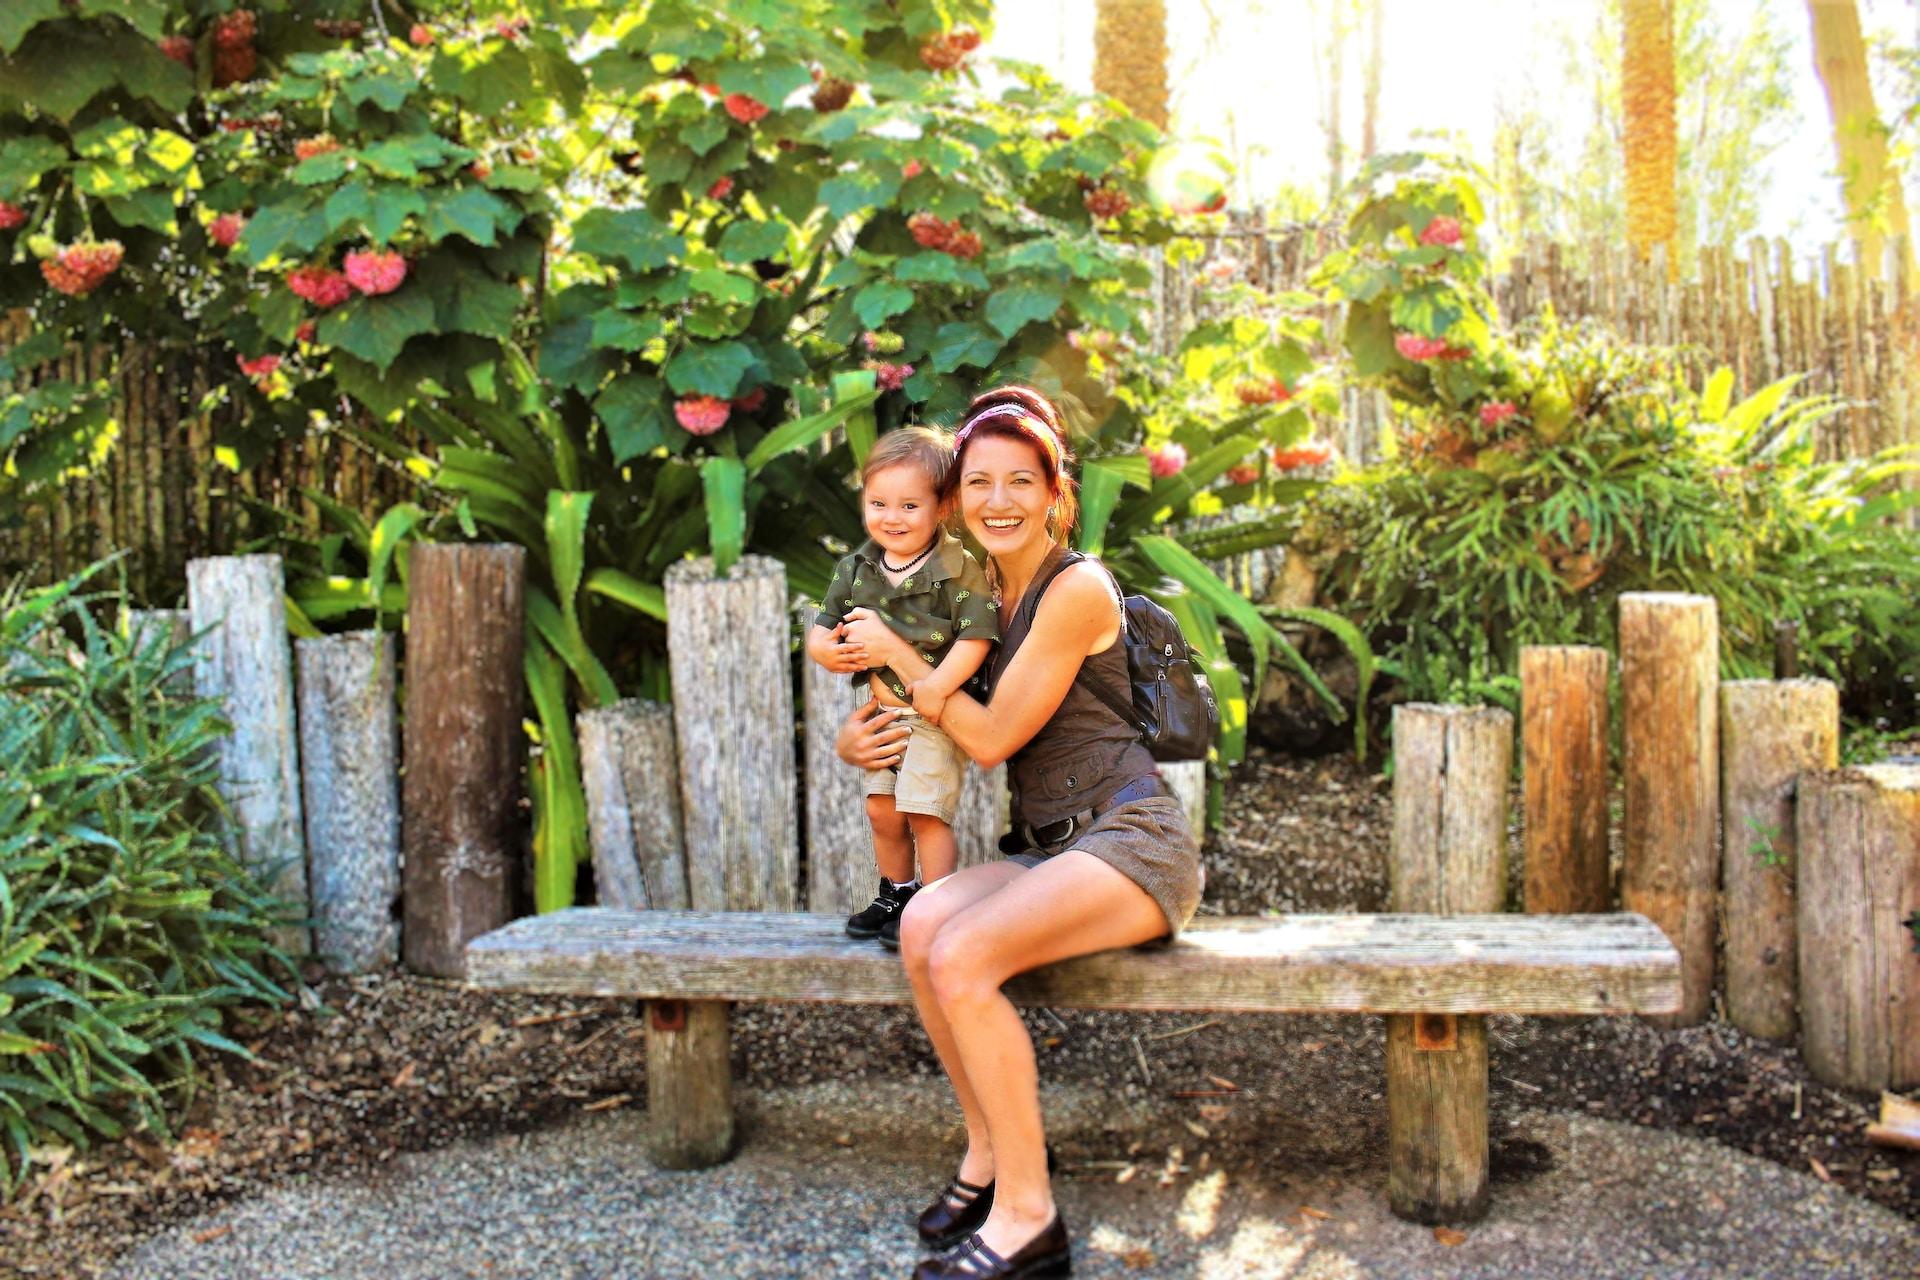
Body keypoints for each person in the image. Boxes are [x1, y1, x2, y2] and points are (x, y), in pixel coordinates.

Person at [835, 386, 1202, 1279]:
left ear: (1054, 493)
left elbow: (991, 739)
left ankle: (1030, 1221)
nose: (999, 502)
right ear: (956, 499)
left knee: (965, 956)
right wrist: (862, 740)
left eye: (1021, 483)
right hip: (1054, 848)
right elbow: (917, 709)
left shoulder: (1073, 588)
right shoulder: (972, 591)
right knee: (924, 924)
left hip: (1133, 841)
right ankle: (990, 1156)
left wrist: (898, 654)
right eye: (980, 484)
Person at [808, 426, 1001, 948]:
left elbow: (977, 637)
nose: (892, 518)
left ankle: (934, 902)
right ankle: (897, 891)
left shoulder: (961, 569)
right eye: (879, 503)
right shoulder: (857, 567)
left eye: (909, 506)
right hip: (883, 717)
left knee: (925, 810)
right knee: (882, 810)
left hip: (934, 716)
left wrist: (938, 685)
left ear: (941, 507)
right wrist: (822, 648)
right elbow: (823, 625)